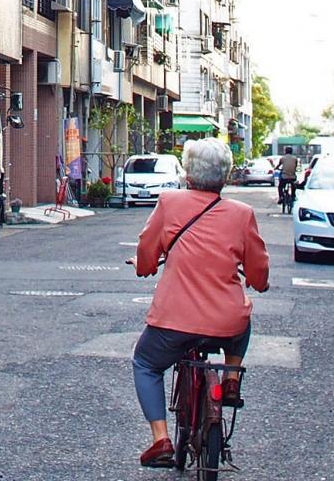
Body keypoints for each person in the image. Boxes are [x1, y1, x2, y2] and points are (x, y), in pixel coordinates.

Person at [130, 137, 270, 469]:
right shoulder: (242, 214)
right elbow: (258, 268)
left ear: (189, 173)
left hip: (173, 322)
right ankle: (231, 377)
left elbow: (147, 250)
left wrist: (144, 267)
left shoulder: (169, 203)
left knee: (145, 364)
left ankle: (161, 439)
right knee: (243, 319)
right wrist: (259, 282)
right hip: (226, 322)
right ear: (226, 175)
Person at [276, 146, 299, 210]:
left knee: (280, 186)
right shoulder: (295, 158)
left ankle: (281, 197)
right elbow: (295, 166)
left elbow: (278, 165)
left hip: (284, 177)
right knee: (294, 185)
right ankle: (293, 196)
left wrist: (276, 168)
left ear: (285, 151)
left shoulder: (282, 158)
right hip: (292, 177)